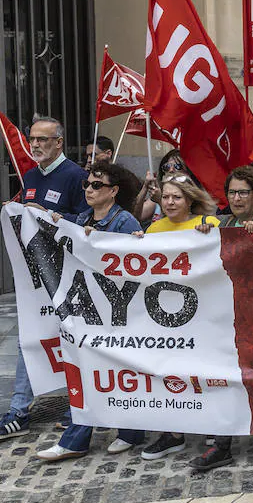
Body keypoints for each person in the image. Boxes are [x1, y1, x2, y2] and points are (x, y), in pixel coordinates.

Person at [35, 162, 147, 461]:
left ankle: (131, 432)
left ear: (113, 191)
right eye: (87, 184)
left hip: (117, 313)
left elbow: (136, 267)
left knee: (120, 373)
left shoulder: (125, 223)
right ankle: (76, 438)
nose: (89, 189)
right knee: (85, 372)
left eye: (97, 185)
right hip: (88, 311)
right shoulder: (81, 217)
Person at [0, 117, 88, 441]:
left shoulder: (76, 177)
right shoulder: (29, 176)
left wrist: (54, 218)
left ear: (59, 142)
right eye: (32, 139)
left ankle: (78, 406)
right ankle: (19, 409)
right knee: (30, 339)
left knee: (73, 340)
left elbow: (87, 222)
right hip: (37, 281)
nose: (36, 144)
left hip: (67, 278)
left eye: (43, 139)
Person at [192, 166, 253, 471]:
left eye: (243, 192)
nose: (236, 198)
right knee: (230, 376)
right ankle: (223, 445)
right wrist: (203, 236)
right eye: (232, 192)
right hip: (232, 314)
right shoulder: (223, 222)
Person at [128, 175, 222, 461]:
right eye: (166, 196)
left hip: (204, 313)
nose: (169, 202)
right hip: (166, 314)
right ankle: (174, 434)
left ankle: (213, 427)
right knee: (170, 372)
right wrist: (136, 245)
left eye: (176, 197)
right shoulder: (155, 228)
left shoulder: (209, 225)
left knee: (206, 370)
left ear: (190, 199)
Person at [134, 148, 192, 225]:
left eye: (177, 166)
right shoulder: (158, 192)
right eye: (167, 166)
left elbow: (177, 221)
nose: (171, 170)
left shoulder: (191, 195)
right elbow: (136, 217)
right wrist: (145, 187)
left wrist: (160, 200)